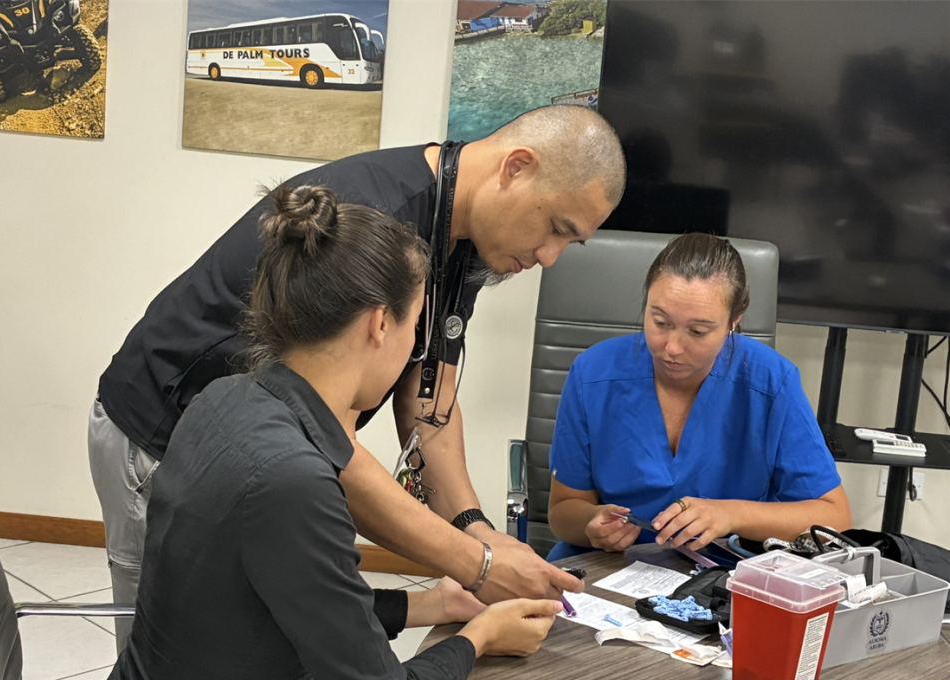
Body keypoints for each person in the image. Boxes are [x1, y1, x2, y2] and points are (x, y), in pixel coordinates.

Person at [89, 104, 626, 650]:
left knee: (271, 643)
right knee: (172, 659)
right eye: (558, 228)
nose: (550, 257)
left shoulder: (465, 236)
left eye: (571, 242)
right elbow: (331, 448)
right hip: (161, 430)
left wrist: (477, 530)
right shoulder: (376, 223)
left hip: (261, 443)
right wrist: (481, 564)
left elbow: (428, 400)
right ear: (516, 167)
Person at [84, 186, 561, 680]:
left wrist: (429, 605)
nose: (413, 346)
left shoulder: (224, 399)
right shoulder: (294, 480)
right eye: (415, 327)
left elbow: (272, 602)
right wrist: (480, 635)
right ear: (380, 324)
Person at [546, 233, 852, 561]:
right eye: (660, 321)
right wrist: (593, 524)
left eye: (697, 332)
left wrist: (729, 515)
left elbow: (835, 518)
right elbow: (563, 511)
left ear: (734, 321)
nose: (672, 347)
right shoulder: (593, 373)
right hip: (608, 568)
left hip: (721, 575)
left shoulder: (770, 382)